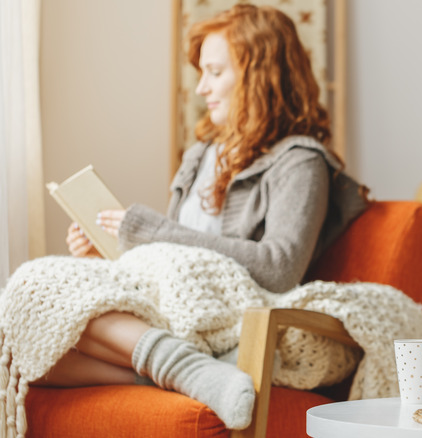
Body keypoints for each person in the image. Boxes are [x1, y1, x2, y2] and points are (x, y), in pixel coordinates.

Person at [39, 4, 367, 430]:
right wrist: (106, 253)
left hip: (226, 318)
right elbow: (171, 260)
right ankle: (188, 373)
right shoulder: (199, 157)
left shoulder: (299, 161)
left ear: (257, 75)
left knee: (44, 288)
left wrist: (152, 232)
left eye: (214, 72)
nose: (202, 89)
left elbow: (280, 267)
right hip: (171, 307)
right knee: (29, 345)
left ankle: (183, 367)